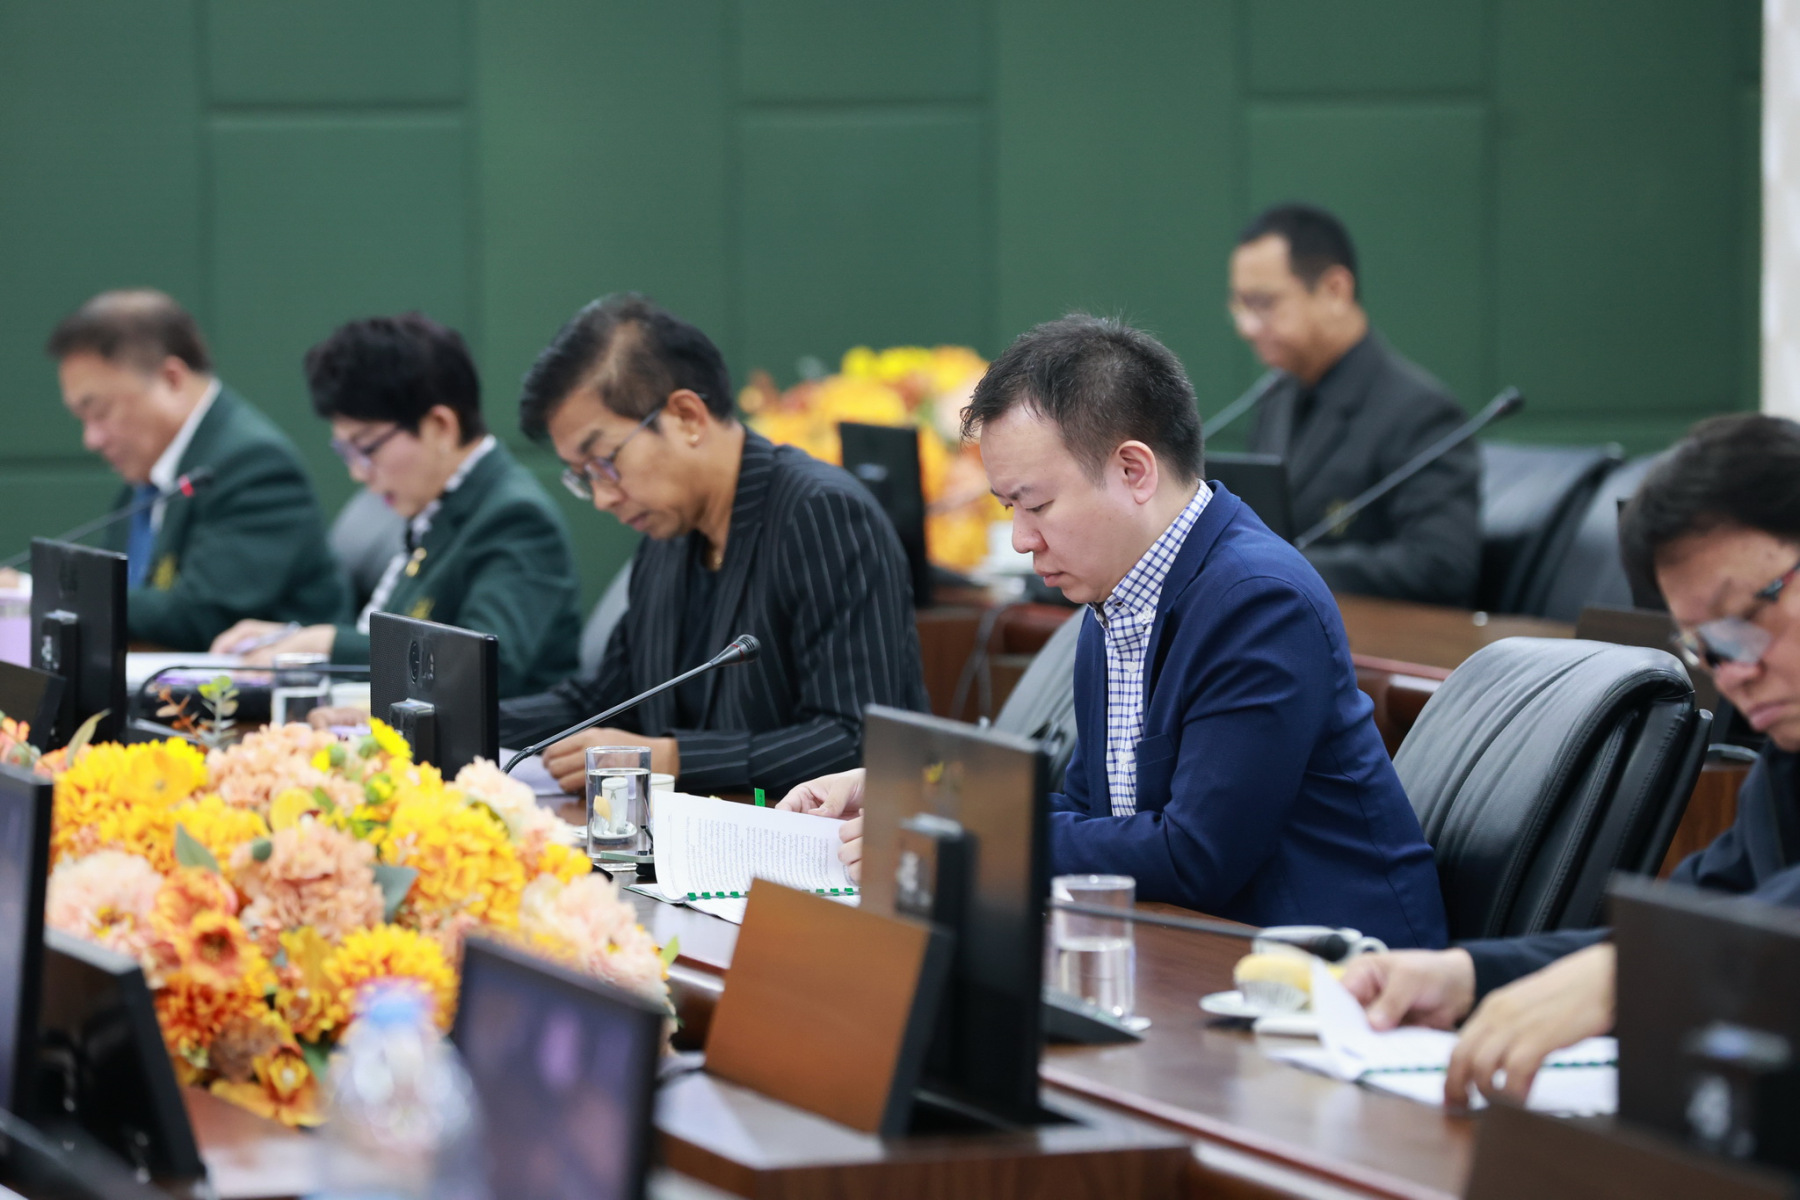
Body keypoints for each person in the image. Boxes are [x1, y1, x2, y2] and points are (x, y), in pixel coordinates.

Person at [783, 315, 1448, 949]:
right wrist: (909, 794)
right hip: (1200, 946)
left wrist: (954, 833)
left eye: (1036, 505)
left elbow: (1194, 856)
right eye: (1009, 508)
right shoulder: (1116, 596)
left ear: (1134, 470)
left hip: (1342, 975)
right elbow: (1091, 817)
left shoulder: (1258, 602)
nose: (1020, 539)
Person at [1340, 413, 1800, 1105]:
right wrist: (1467, 976)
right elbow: (1696, 922)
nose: (1733, 674)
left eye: (1742, 623)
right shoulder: (1785, 770)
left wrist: (1633, 972)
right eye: (1704, 648)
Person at [496, 293, 929, 796]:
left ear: (687, 417)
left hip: (810, 838)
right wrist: (460, 719)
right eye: (583, 476)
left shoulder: (822, 514)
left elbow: (856, 739)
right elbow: (603, 701)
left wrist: (672, 758)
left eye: (605, 463)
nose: (602, 497)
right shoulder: (669, 531)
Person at [211, 314, 582, 698]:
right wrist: (296, 638)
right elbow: (403, 641)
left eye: (367, 447)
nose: (358, 472)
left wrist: (326, 644)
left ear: (440, 426)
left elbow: (484, 668)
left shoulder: (514, 519)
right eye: (346, 451)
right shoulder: (443, 506)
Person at [44, 289, 342, 649]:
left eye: (101, 411)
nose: (91, 439)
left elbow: (201, 615)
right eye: (82, 418)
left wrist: (42, 595)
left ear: (171, 379)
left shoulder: (253, 464)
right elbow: (120, 592)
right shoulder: (148, 472)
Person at [1234, 204, 1480, 606]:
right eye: (1240, 304)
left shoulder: (1419, 412)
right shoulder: (1276, 397)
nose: (1246, 326)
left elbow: (1441, 566)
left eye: (1263, 302)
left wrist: (1278, 567)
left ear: (1335, 290)